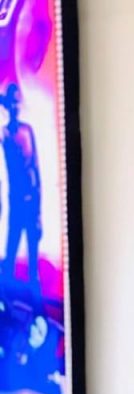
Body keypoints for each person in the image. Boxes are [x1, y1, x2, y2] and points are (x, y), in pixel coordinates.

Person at [1, 84, 42, 292]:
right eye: (12, 103)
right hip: (15, 203)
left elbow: (36, 168)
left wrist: (39, 212)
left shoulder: (28, 130)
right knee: (10, 256)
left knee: (33, 264)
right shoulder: (4, 134)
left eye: (17, 102)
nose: (15, 106)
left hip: (31, 203)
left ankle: (37, 304)